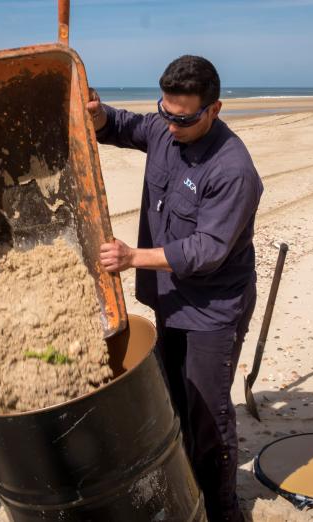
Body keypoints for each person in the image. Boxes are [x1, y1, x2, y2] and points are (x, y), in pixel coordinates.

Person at [91, 55, 262, 521]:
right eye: (165, 112)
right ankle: (187, 484)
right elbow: (125, 127)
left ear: (214, 109)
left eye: (183, 118)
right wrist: (100, 114)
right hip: (168, 300)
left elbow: (207, 249)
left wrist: (133, 258)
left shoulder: (234, 170)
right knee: (173, 400)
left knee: (208, 413)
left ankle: (223, 508)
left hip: (213, 309)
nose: (170, 126)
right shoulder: (165, 130)